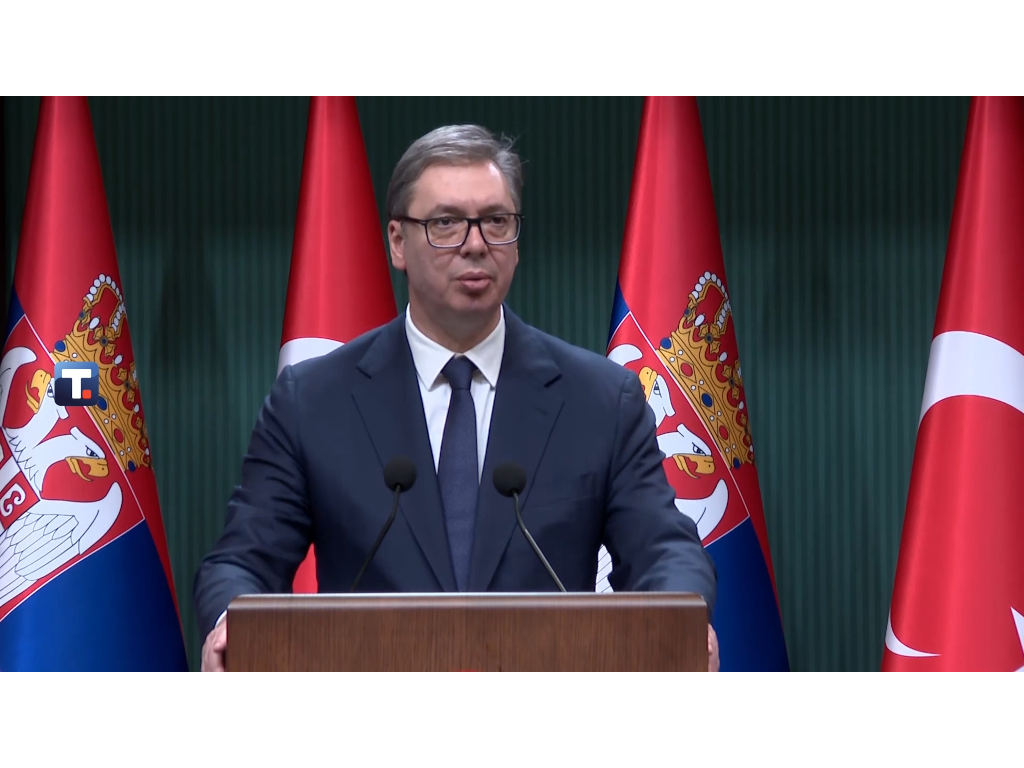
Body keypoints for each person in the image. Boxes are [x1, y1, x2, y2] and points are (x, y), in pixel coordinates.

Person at [194, 123, 720, 672]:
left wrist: (683, 620)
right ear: (398, 242)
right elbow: (242, 560)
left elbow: (665, 551)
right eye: (445, 223)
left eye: (496, 221)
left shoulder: (601, 401)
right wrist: (230, 625)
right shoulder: (313, 402)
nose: (475, 244)